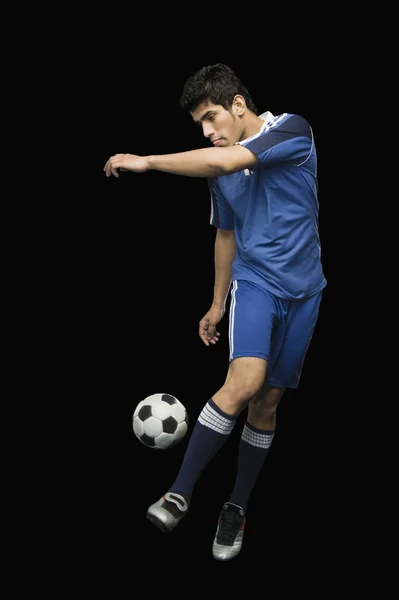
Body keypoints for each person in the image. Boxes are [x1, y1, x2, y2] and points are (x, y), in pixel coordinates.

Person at [104, 63, 327, 561]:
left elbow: (227, 163)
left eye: (210, 118)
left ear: (239, 106)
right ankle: (179, 491)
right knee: (244, 383)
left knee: (267, 403)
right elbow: (225, 234)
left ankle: (236, 506)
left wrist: (148, 161)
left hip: (305, 291)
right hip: (255, 283)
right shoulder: (220, 163)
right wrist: (217, 301)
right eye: (200, 126)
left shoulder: (292, 130)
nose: (207, 132)